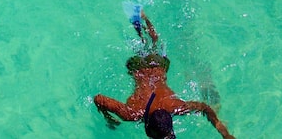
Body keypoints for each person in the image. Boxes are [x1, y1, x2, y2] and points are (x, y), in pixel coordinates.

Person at [94, 12, 234, 139]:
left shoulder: (175, 106)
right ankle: (142, 17)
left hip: (159, 64)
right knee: (146, 42)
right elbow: (99, 99)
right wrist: (108, 118)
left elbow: (204, 107)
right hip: (138, 66)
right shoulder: (133, 113)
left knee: (153, 42)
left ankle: (144, 17)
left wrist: (225, 134)